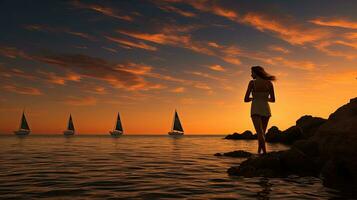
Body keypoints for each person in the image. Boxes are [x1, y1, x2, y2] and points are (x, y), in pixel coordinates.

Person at [244, 66, 276, 154]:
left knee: (259, 133)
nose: (251, 75)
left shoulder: (252, 83)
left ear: (256, 73)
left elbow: (245, 99)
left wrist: (253, 98)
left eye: (252, 72)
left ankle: (264, 153)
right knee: (262, 133)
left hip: (255, 109)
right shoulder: (269, 83)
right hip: (266, 109)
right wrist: (264, 98)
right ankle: (259, 152)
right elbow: (273, 100)